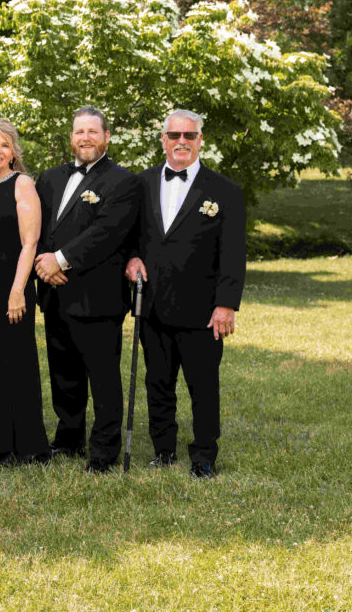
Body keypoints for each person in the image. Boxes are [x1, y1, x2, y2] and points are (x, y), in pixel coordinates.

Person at [126, 110, 246, 478]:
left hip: (203, 310)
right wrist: (131, 258)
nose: (181, 141)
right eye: (174, 134)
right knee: (157, 383)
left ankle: (204, 456)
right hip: (153, 305)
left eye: (189, 136)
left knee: (203, 387)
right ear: (163, 139)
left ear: (200, 140)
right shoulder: (141, 184)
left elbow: (233, 253)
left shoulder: (224, 190)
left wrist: (226, 304)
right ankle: (163, 450)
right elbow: (129, 236)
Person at [33, 106, 139, 474]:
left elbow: (106, 234)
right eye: (80, 131)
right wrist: (41, 265)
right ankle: (68, 438)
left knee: (103, 378)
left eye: (93, 131)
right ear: (72, 136)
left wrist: (59, 260)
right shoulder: (47, 179)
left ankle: (104, 452)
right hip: (54, 293)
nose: (86, 138)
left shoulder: (123, 182)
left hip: (97, 296)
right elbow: (35, 229)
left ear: (106, 136)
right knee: (64, 375)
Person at [0, 119, 51, 465]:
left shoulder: (22, 184)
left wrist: (18, 290)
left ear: (13, 151)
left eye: (4, 145)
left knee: (16, 362)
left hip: (12, 285)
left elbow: (30, 241)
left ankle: (29, 446)